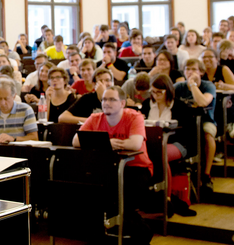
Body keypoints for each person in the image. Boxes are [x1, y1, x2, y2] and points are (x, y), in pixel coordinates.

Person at [73, 86, 154, 244]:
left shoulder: (134, 117)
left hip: (137, 168)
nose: (106, 103)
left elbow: (135, 144)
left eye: (112, 99)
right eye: (104, 99)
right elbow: (76, 141)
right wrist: (109, 143)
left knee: (122, 197)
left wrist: (99, 143)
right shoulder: (95, 118)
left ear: (123, 103)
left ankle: (140, 232)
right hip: (108, 168)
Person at [140, 74, 198, 217]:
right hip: (152, 143)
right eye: (153, 91)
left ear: (168, 90)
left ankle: (166, 198)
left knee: (161, 153)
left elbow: (188, 133)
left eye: (159, 92)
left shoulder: (179, 106)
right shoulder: (147, 104)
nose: (155, 95)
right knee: (151, 152)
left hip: (178, 143)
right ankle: (152, 197)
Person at [175, 59, 217, 194]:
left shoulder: (208, 85)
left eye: (194, 69)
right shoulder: (178, 86)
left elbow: (203, 102)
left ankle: (206, 174)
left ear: (201, 72)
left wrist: (193, 85)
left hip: (205, 120)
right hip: (184, 122)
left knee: (208, 134)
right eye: (187, 69)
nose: (190, 72)